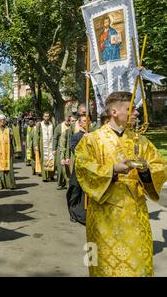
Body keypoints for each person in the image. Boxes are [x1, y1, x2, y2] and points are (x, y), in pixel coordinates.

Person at [75, 91, 167, 277]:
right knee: (105, 266)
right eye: (131, 109)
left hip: (135, 214)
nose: (136, 113)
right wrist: (113, 170)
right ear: (114, 112)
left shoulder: (140, 140)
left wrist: (145, 171)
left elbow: (160, 165)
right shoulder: (91, 140)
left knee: (138, 265)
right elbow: (83, 167)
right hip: (104, 215)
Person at [66, 114, 87, 224]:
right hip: (79, 167)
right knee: (75, 190)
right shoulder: (76, 136)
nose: (86, 122)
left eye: (88, 120)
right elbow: (75, 150)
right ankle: (73, 212)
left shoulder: (94, 136)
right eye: (84, 121)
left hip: (90, 169)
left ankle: (83, 215)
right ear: (79, 123)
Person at [0, 114, 17, 190]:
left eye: (4, 120)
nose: (2, 121)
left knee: (9, 168)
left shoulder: (9, 129)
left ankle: (10, 184)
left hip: (8, 151)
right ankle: (0, 185)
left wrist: (13, 151)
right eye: (1, 120)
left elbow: (12, 141)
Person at [34, 112, 55, 182]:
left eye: (48, 116)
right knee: (44, 160)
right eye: (45, 116)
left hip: (51, 144)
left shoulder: (52, 124)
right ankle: (45, 177)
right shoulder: (40, 125)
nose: (47, 118)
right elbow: (36, 135)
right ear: (43, 117)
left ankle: (51, 175)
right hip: (43, 145)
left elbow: (54, 135)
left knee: (51, 159)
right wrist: (36, 145)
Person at [53, 114, 72, 190]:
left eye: (70, 119)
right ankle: (60, 183)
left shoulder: (73, 127)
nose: (69, 120)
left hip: (68, 149)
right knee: (60, 167)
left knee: (68, 167)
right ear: (65, 118)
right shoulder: (59, 127)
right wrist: (54, 149)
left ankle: (68, 183)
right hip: (60, 149)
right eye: (68, 118)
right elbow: (55, 138)